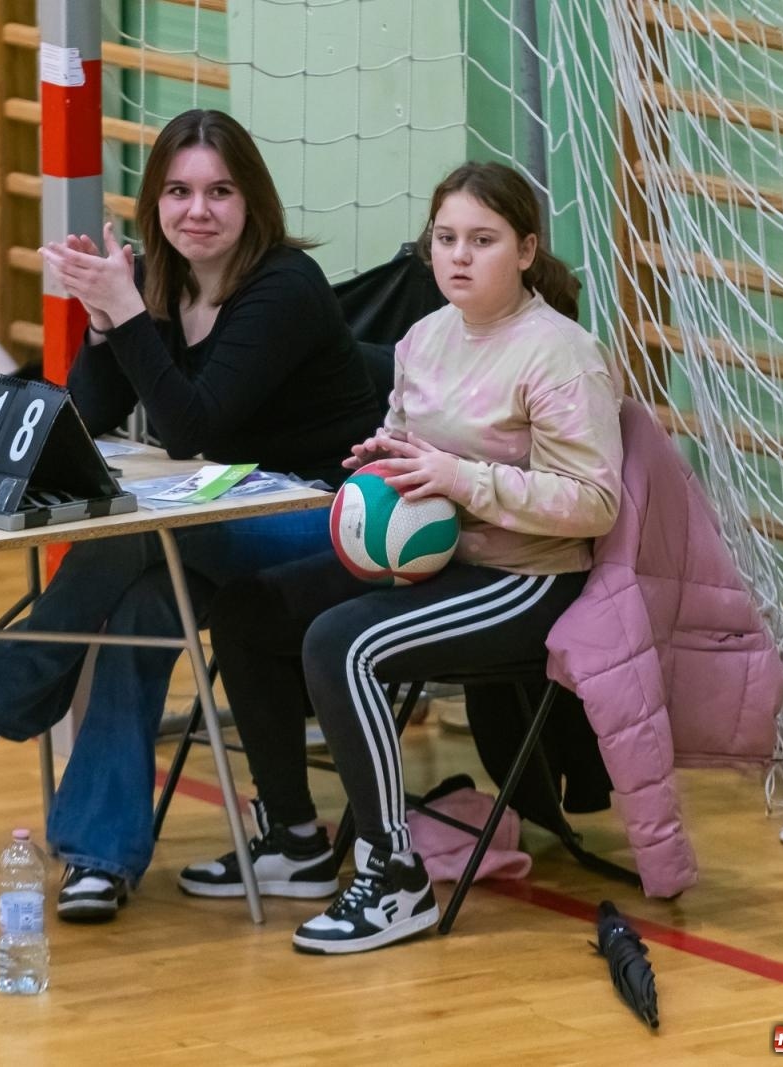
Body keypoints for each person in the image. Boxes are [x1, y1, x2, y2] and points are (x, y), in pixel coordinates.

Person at [0, 109, 380, 923]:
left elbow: (193, 425)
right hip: (226, 518)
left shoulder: (285, 286)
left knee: (144, 532)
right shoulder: (159, 277)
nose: (197, 210)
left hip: (329, 520)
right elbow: (88, 411)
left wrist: (129, 313)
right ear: (153, 201)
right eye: (178, 191)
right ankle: (99, 862)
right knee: (142, 603)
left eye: (219, 191)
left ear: (254, 202)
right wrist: (108, 318)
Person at [177, 160, 625, 954]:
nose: (458, 256)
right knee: (246, 609)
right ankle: (293, 839)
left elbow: (594, 503)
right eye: (446, 238)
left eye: (482, 240)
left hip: (525, 578)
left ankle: (393, 876)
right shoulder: (422, 337)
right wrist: (384, 465)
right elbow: (410, 446)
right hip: (440, 559)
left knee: (342, 641)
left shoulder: (562, 354)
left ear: (525, 250)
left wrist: (458, 477)